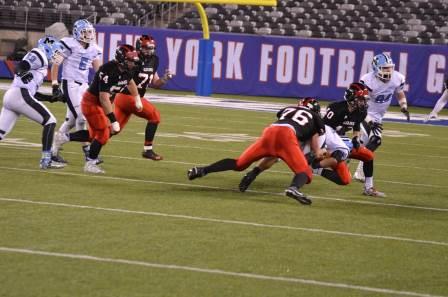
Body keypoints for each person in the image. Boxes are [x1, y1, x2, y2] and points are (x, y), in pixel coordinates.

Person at [239, 84, 375, 193]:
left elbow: (356, 124)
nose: (363, 103)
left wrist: (356, 138)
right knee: (282, 157)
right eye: (361, 99)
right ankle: (306, 170)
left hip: (335, 142)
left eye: (364, 100)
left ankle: (316, 168)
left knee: (345, 179)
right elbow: (323, 131)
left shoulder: (361, 111)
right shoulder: (335, 110)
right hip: (325, 141)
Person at [187, 103, 326, 205]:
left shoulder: (288, 109)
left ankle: (202, 170)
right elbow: (315, 145)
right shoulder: (315, 118)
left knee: (239, 163)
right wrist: (320, 152)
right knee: (305, 173)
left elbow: (283, 120)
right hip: (287, 136)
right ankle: (293, 188)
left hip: (270, 131)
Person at [52, 44, 141, 174]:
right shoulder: (108, 70)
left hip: (100, 104)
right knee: (104, 134)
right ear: (122, 59)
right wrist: (113, 119)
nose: (133, 63)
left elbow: (130, 81)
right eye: (130, 60)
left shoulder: (127, 69)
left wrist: (137, 97)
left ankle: (64, 137)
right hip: (92, 103)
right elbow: (104, 98)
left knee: (94, 136)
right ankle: (90, 164)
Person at [0, 36, 66, 169]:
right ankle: (46, 160)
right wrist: (23, 73)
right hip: (19, 95)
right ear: (48, 48)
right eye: (55, 51)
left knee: (1, 133)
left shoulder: (41, 62)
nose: (57, 55)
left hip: (14, 96)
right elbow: (19, 67)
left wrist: (49, 98)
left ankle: (46, 160)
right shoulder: (39, 54)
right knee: (50, 121)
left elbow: (32, 94)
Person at [353, 53, 410, 197]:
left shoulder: (397, 78)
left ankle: (360, 175)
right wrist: (369, 121)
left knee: (360, 147)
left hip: (378, 117)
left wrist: (403, 105)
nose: (388, 71)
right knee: (371, 142)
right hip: (365, 115)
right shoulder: (367, 81)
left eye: (390, 68)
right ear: (376, 68)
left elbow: (400, 92)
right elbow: (360, 105)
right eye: (384, 68)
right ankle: (323, 161)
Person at [51, 19, 102, 163]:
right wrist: (55, 84)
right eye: (86, 32)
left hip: (84, 85)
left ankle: (53, 150)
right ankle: (88, 153)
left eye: (90, 31)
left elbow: (99, 71)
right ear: (77, 32)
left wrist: (102, 86)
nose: (89, 34)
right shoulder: (68, 44)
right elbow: (55, 64)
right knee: (82, 117)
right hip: (70, 83)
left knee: (71, 121)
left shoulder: (94, 48)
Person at [113, 35, 173, 160]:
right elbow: (127, 80)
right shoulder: (133, 59)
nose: (150, 51)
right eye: (146, 48)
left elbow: (155, 83)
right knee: (155, 116)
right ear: (140, 47)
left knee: (113, 130)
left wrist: (165, 78)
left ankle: (84, 140)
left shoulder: (154, 60)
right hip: (128, 96)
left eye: (151, 48)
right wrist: (137, 98)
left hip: (128, 98)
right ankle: (148, 150)